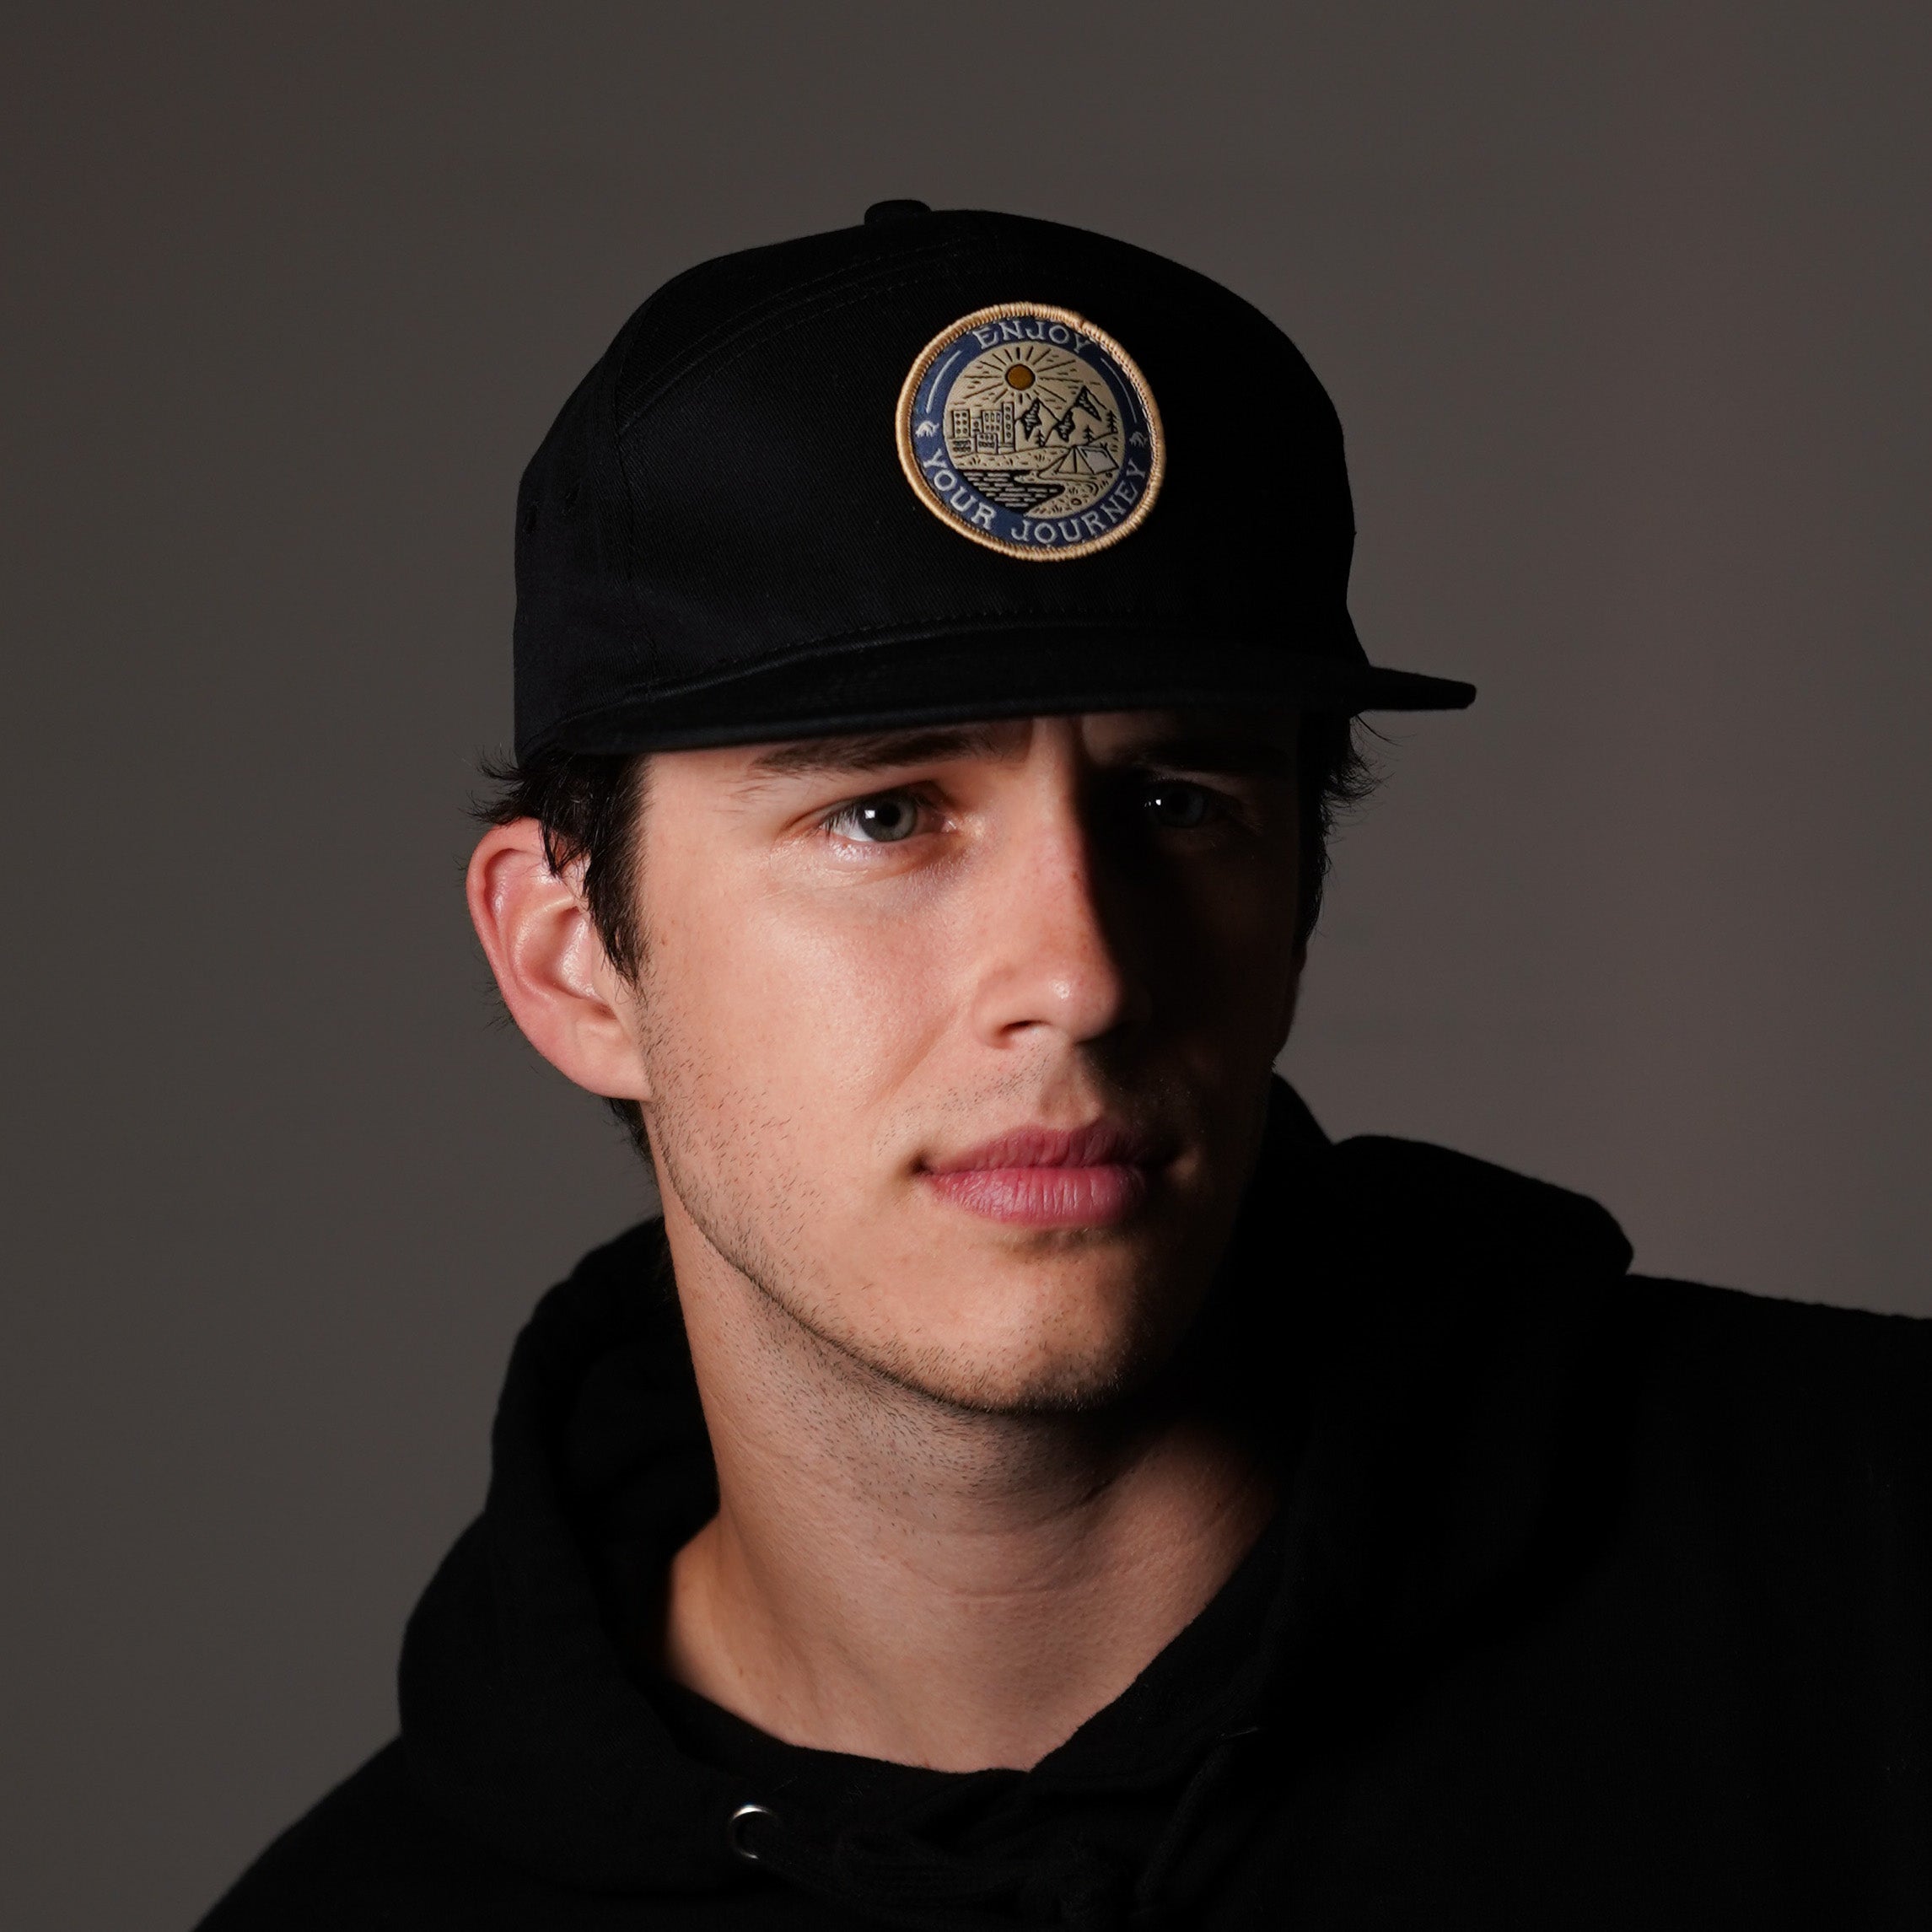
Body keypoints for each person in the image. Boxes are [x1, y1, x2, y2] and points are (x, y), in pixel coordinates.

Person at [199, 203, 1930, 1930]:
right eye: (883, 814)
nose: (1084, 975)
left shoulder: (1870, 1583)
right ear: (572, 958)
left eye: (1180, 805)